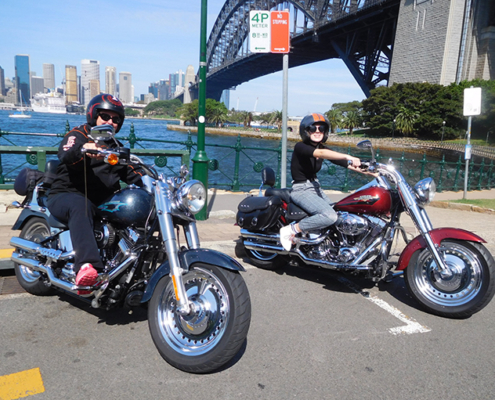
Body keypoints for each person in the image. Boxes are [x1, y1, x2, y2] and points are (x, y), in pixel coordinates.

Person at [47, 94, 144, 294]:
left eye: (115, 119)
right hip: (66, 195)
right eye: (105, 117)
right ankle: (87, 267)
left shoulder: (116, 149)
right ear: (93, 116)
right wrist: (84, 148)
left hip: (99, 201)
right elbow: (66, 152)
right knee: (80, 205)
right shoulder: (79, 134)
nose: (110, 122)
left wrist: (156, 182)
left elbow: (134, 172)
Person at [279, 113, 365, 251]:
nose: (317, 131)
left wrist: (376, 172)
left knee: (341, 214)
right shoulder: (300, 147)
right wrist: (348, 155)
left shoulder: (323, 149)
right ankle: (291, 230)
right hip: (301, 190)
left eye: (321, 128)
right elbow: (320, 154)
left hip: (316, 188)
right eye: (313, 128)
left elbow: (347, 164)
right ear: (306, 131)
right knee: (329, 215)